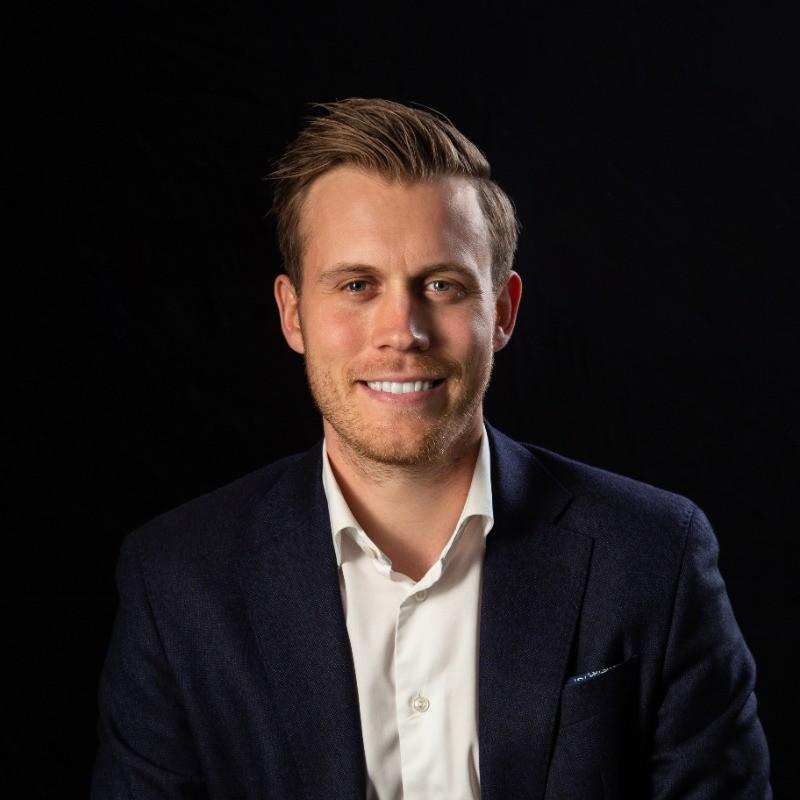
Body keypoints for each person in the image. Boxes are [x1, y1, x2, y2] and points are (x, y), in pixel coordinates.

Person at [92, 98, 771, 799]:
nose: (403, 331)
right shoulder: (177, 582)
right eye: (357, 285)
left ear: (502, 312)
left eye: (441, 285)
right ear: (293, 314)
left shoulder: (654, 555)